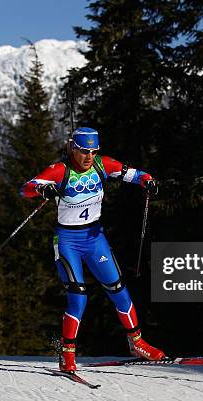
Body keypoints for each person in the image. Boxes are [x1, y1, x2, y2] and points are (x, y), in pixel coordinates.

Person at [20, 127, 165, 373]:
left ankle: (137, 343)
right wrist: (42, 189)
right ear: (72, 148)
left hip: (94, 237)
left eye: (93, 151)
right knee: (78, 296)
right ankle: (67, 355)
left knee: (117, 288)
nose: (88, 156)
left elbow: (134, 174)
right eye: (83, 151)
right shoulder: (60, 170)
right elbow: (26, 188)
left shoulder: (103, 165)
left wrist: (147, 180)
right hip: (67, 240)